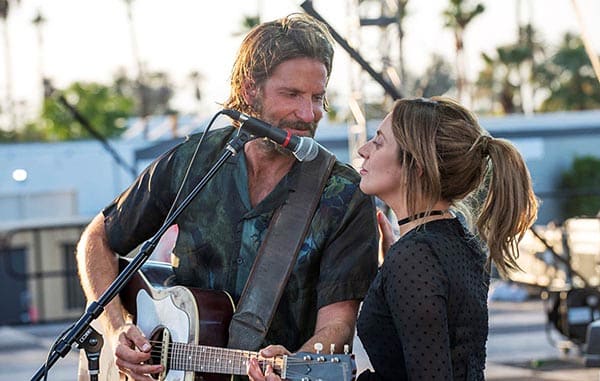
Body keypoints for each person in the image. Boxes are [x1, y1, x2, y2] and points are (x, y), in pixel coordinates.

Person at [76, 13, 378, 380]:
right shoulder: (195, 160)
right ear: (250, 89)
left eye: (318, 97)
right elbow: (98, 239)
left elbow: (339, 326)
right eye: (292, 95)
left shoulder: (343, 193)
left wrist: (296, 363)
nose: (308, 113)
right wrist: (116, 329)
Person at [247, 96, 538, 381]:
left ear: (416, 166)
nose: (363, 150)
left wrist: (402, 267)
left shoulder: (416, 258)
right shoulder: (456, 241)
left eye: (379, 141)